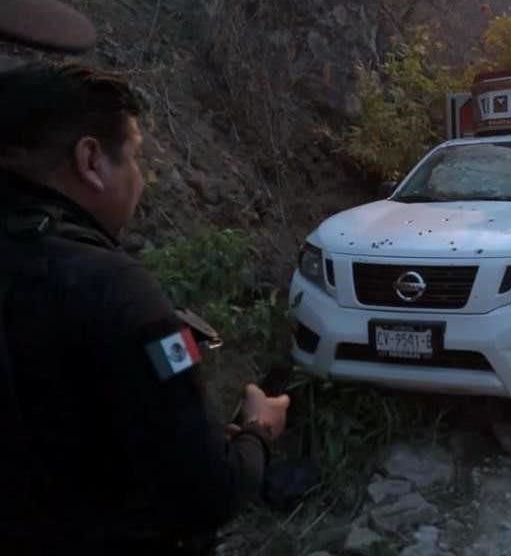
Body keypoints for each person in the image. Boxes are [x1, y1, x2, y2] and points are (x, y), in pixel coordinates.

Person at [0, 68, 292, 556]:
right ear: (90, 160)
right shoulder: (119, 293)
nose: (143, 179)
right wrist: (259, 430)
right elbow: (209, 493)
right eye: (135, 159)